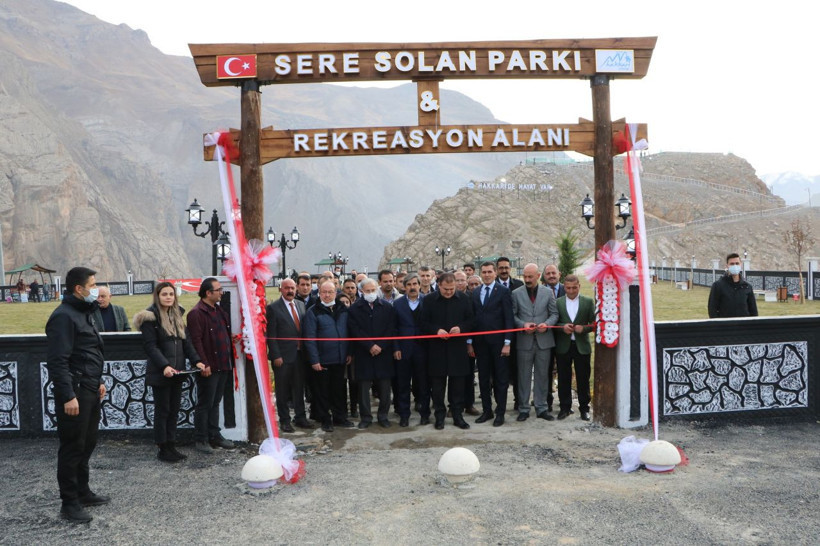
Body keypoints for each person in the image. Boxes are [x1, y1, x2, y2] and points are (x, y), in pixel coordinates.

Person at [45, 266, 109, 522]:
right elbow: (58, 361)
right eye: (92, 285)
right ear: (78, 289)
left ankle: (83, 492)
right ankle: (69, 503)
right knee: (73, 446)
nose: (96, 290)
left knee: (87, 443)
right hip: (76, 391)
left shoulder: (85, 313)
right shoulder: (63, 316)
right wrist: (68, 395)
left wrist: (98, 381)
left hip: (91, 388)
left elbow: (90, 351)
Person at [134, 282, 205, 462]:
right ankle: (162, 447)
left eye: (171, 294)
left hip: (178, 372)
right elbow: (150, 346)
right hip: (161, 372)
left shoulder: (177, 316)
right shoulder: (150, 318)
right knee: (163, 410)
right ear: (157, 296)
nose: (168, 297)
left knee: (174, 410)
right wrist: (164, 366)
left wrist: (197, 360)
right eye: (164, 294)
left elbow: (186, 343)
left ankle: (171, 444)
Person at [187, 277, 236, 453]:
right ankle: (201, 439)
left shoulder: (218, 311)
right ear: (208, 293)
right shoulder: (196, 313)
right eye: (218, 290)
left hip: (223, 364)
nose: (221, 292)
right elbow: (196, 341)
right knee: (205, 403)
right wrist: (203, 363)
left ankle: (214, 435)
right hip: (209, 366)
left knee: (215, 402)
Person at [420, 272, 474, 430]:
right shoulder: (429, 300)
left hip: (457, 348)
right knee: (437, 386)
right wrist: (436, 330)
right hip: (437, 349)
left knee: (458, 386)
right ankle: (439, 416)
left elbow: (471, 321)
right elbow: (423, 323)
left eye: (452, 289)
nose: (449, 292)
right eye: (446, 289)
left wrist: (461, 328)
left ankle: (457, 416)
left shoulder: (464, 299)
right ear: (439, 286)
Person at [304, 281, 354, 432]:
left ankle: (340, 417)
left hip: (340, 358)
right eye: (324, 292)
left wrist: (349, 352)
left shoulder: (343, 309)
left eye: (330, 292)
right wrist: (315, 360)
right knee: (322, 391)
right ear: (319, 292)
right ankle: (325, 419)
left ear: (335, 292)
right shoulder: (313, 311)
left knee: (339, 390)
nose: (327, 295)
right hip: (323, 359)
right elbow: (310, 338)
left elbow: (350, 332)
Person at [348, 278, 398, 428]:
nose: (371, 293)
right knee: (363, 388)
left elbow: (391, 329)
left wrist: (380, 346)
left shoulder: (387, 307)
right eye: (367, 291)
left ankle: (383, 416)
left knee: (384, 387)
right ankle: (366, 418)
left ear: (378, 289)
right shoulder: (354, 309)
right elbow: (355, 330)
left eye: (373, 290)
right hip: (364, 353)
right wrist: (370, 345)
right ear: (361, 291)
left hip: (383, 353)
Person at [469, 261, 514, 427]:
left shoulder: (503, 291)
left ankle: (500, 412)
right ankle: (487, 411)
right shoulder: (475, 292)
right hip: (481, 345)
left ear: (495, 273)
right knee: (482, 378)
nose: (487, 275)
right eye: (484, 272)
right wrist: (470, 342)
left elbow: (509, 318)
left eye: (489, 272)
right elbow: (473, 320)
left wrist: (507, 342)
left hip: (499, 344)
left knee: (501, 379)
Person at [511, 263, 558, 422]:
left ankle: (541, 407)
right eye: (525, 276)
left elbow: (554, 314)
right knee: (523, 376)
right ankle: (523, 408)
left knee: (542, 376)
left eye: (530, 276)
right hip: (524, 342)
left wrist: (546, 324)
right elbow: (513, 316)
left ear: (538, 276)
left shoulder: (548, 292)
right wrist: (523, 325)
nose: (527, 279)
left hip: (544, 342)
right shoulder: (516, 293)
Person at [266, 278, 311, 433]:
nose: (290, 291)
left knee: (299, 388)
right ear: (281, 289)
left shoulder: (300, 305)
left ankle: (300, 417)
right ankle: (285, 420)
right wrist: (275, 355)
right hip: (282, 357)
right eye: (287, 288)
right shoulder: (273, 308)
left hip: (300, 355)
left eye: (292, 288)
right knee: (283, 390)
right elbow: (270, 335)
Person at [554, 275, 596, 421]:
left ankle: (584, 408)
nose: (571, 291)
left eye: (574, 287)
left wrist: (583, 328)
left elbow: (594, 323)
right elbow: (554, 322)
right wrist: (562, 327)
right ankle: (565, 407)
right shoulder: (558, 302)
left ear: (579, 286)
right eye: (568, 288)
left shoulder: (588, 302)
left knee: (583, 378)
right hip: (563, 346)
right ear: (564, 287)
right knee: (564, 378)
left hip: (582, 346)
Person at [393, 273, 429, 425]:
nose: (412, 287)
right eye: (409, 285)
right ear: (404, 287)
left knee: (423, 383)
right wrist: (396, 348)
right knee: (403, 384)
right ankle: (404, 415)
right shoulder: (398, 303)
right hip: (404, 349)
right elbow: (393, 328)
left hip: (423, 348)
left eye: (415, 284)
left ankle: (425, 414)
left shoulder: (428, 301)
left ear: (419, 285)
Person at [541, 264, 565, 411]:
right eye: (548, 273)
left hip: (564, 337)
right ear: (544, 276)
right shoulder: (539, 291)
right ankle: (546, 401)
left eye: (553, 273)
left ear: (559, 274)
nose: (551, 275)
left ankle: (564, 403)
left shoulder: (567, 289)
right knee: (546, 370)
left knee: (564, 370)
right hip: (546, 336)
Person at [708, 253, 758, 318]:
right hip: (726, 326)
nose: (735, 266)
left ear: (741, 265)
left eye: (737, 263)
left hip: (744, 326)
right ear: (727, 266)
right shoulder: (717, 286)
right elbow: (712, 309)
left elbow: (753, 311)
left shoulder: (747, 287)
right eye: (732, 264)